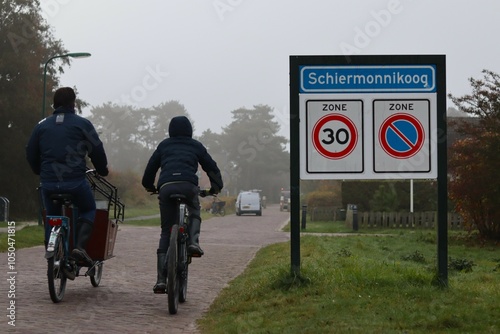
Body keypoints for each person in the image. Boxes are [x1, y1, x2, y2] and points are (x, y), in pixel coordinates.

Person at [26, 87, 109, 268]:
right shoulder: (83, 124)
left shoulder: (42, 125)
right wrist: (102, 170)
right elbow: (97, 151)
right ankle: (79, 247)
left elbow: (31, 152)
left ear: (54, 104)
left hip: (48, 183)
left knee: (52, 215)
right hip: (75, 183)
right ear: (73, 104)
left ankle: (51, 248)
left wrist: (39, 171)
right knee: (88, 208)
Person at [142, 115, 223, 294]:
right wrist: (216, 187)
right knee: (194, 210)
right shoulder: (196, 146)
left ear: (170, 130)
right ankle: (193, 242)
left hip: (166, 187)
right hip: (188, 185)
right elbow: (211, 167)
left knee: (166, 230)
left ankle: (161, 279)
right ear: (190, 130)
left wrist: (149, 185)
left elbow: (150, 168)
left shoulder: (164, 145)